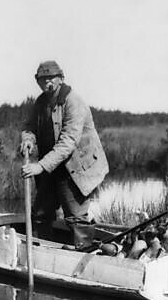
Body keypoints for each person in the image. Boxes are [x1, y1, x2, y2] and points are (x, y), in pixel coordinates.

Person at [20, 60, 108, 249]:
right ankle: (43, 251)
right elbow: (29, 126)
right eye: (42, 79)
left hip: (75, 166)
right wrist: (28, 140)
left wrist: (40, 166)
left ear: (61, 78)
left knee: (76, 216)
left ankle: (84, 255)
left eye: (51, 78)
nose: (47, 83)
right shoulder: (41, 102)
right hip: (51, 165)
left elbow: (68, 142)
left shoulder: (73, 102)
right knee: (41, 213)